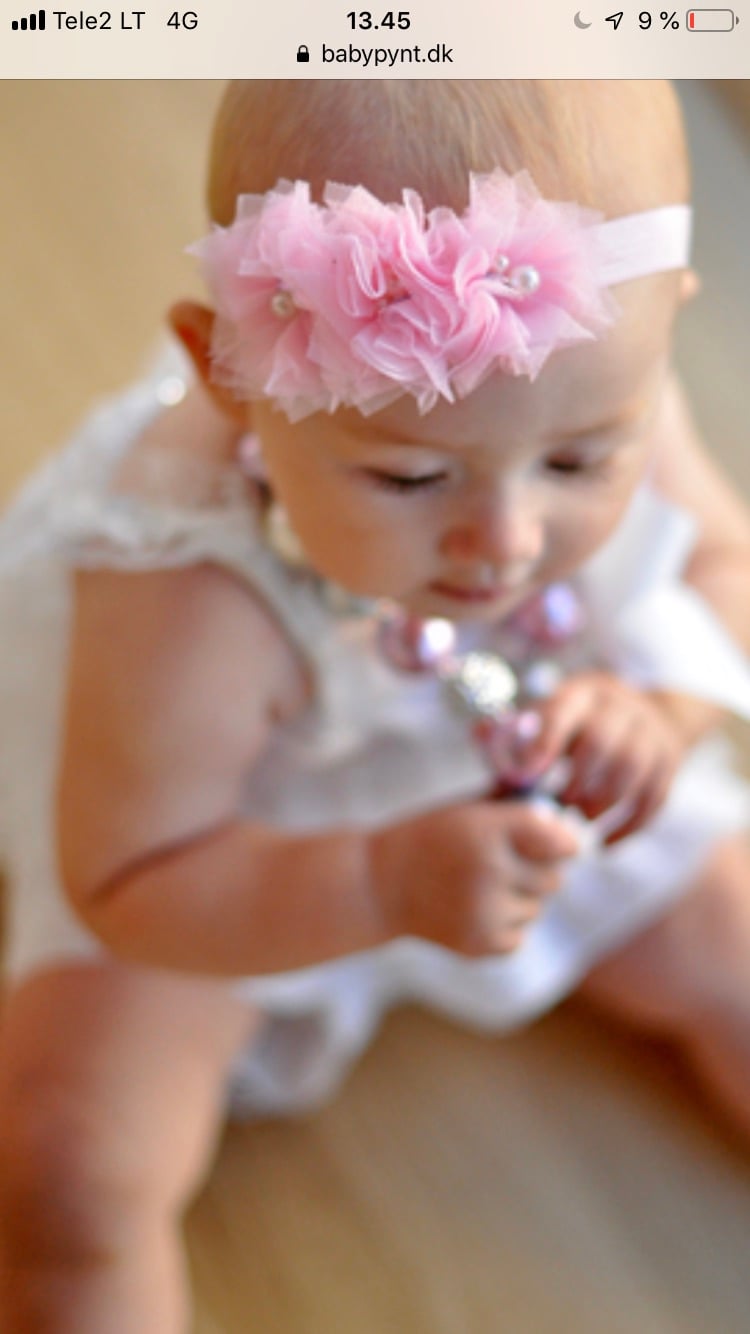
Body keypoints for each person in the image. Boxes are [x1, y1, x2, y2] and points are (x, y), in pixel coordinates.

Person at [1, 78, 750, 1332]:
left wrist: (655, 710)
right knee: (64, 1168)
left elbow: (723, 564)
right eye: (408, 476)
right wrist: (382, 880)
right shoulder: (183, 583)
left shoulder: (591, 366)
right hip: (237, 847)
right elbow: (129, 874)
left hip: (532, 756)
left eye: (578, 462)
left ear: (664, 316)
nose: (507, 540)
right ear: (229, 376)